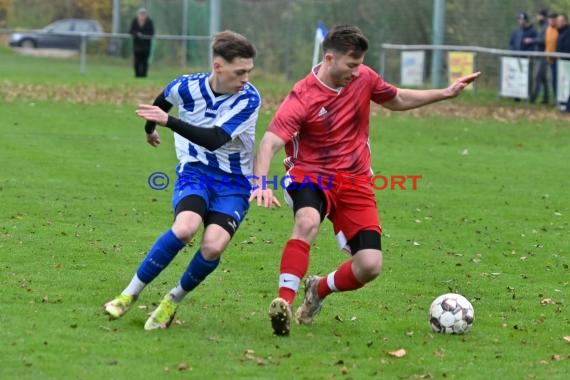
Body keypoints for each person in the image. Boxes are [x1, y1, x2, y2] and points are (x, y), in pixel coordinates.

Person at [249, 25, 480, 336]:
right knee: (306, 222)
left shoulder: (364, 78)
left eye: (360, 64)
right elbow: (269, 143)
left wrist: (445, 92)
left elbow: (396, 98)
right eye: (351, 65)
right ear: (329, 58)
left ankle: (318, 290)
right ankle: (284, 304)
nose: (357, 72)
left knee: (369, 266)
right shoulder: (303, 95)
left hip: (356, 180)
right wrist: (260, 183)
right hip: (310, 175)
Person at [104, 31, 261, 330]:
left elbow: (215, 139)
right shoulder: (186, 86)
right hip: (195, 173)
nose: (245, 78)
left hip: (235, 184)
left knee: (213, 248)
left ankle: (172, 300)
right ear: (218, 66)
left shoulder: (249, 98)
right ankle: (128, 294)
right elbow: (162, 102)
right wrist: (150, 128)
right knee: (185, 228)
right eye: (239, 72)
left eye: (249, 72)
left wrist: (168, 122)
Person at [528, 9, 549, 104]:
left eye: (539, 16)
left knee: (537, 76)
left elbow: (544, 41)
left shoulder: (546, 27)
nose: (537, 18)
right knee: (543, 78)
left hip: (543, 55)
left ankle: (533, 98)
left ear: (543, 16)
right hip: (540, 55)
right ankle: (546, 98)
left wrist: (532, 40)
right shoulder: (542, 27)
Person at [129, 8, 155, 78]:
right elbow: (131, 31)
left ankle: (144, 75)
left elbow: (151, 32)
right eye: (141, 14)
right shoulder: (135, 21)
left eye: (143, 14)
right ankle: (137, 75)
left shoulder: (149, 22)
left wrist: (143, 35)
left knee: (144, 61)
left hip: (146, 46)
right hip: (137, 45)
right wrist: (137, 34)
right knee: (137, 61)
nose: (142, 16)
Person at [556, 14, 570, 111]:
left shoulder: (567, 32)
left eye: (561, 20)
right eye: (558, 20)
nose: (559, 22)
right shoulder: (560, 32)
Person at [545, 12, 559, 101]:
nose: (551, 21)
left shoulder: (558, 29)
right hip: (549, 58)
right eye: (549, 19)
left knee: (557, 79)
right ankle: (555, 97)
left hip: (558, 58)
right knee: (552, 79)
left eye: (553, 19)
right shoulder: (548, 29)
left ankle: (559, 98)